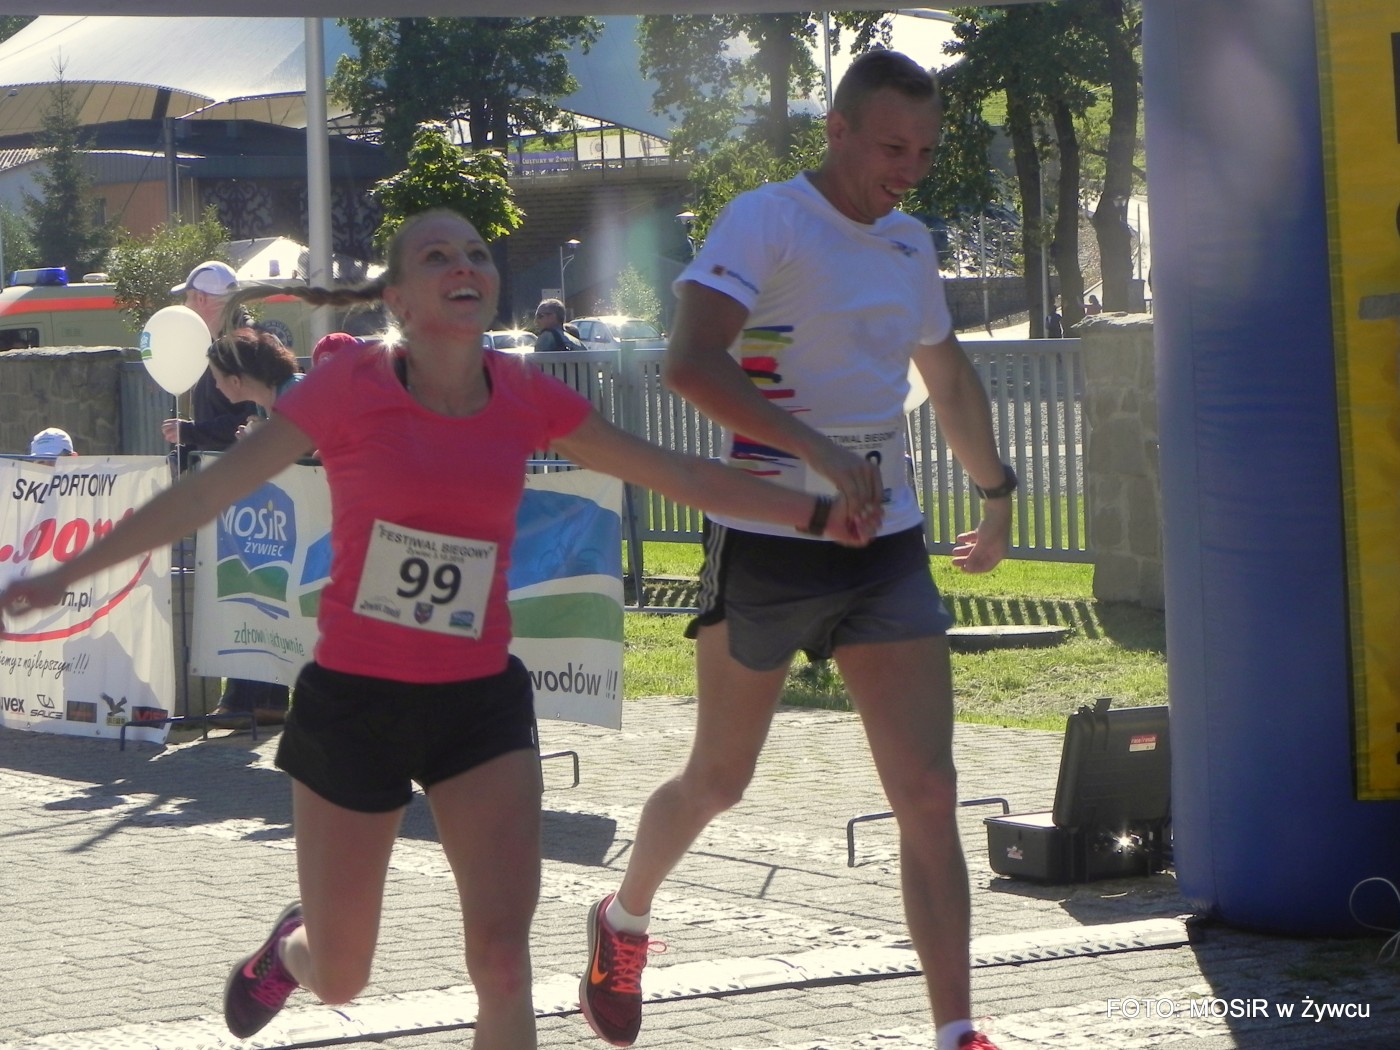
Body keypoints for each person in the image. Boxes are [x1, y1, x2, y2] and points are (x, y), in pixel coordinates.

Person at [0, 207, 877, 1048]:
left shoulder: (525, 394)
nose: (465, 265)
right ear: (399, 301)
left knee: (503, 964)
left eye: (477, 254)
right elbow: (209, 491)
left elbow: (676, 472)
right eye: (437, 256)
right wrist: (65, 575)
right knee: (342, 975)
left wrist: (814, 512)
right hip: (354, 704)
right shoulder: (349, 387)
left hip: (478, 707)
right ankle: (292, 951)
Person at [578, 51, 1011, 1050]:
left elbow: (946, 380)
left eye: (925, 152)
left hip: (884, 547)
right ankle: (624, 917)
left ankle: (956, 1028)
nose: (908, 170)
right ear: (836, 130)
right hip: (769, 540)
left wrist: (995, 495)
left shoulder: (908, 243)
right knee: (719, 780)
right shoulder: (765, 219)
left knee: (929, 791)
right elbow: (690, 364)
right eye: (891, 147)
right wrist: (813, 449)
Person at [161, 260, 291, 727]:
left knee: (255, 589)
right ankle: (246, 695)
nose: (187, 305)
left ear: (204, 300)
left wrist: (192, 434)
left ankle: (259, 698)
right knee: (242, 590)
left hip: (252, 485)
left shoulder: (241, 349)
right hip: (233, 482)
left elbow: (248, 420)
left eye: (190, 297)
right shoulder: (221, 346)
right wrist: (187, 447)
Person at [205, 327, 305, 441]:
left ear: (235, 381)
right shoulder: (263, 403)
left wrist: (267, 435)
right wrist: (256, 440)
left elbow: (314, 442)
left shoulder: (295, 391)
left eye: (216, 378)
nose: (217, 386)